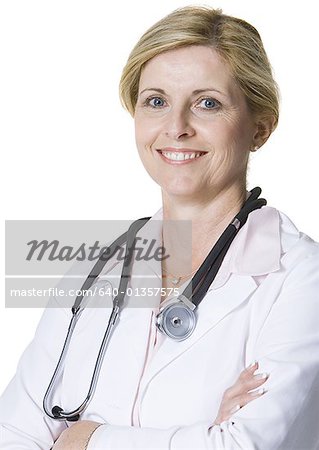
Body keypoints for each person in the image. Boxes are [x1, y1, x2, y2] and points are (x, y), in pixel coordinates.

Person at [1, 5, 319, 449]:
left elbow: (244, 446)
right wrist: (202, 433)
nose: (176, 127)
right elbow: (13, 434)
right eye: (156, 101)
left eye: (207, 103)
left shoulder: (300, 278)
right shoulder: (93, 274)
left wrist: (86, 440)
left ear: (259, 127)